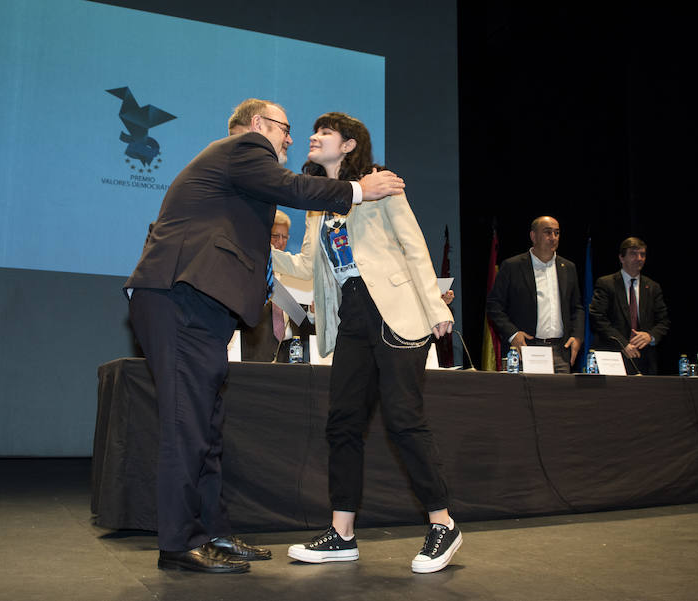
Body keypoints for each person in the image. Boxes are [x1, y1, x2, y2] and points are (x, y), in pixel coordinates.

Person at [124, 98, 405, 573]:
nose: (291, 139)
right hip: (179, 296)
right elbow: (290, 186)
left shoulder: (236, 173)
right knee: (186, 423)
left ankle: (211, 532)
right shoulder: (244, 147)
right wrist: (359, 189)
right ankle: (178, 542)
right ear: (258, 125)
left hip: (199, 303)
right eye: (285, 129)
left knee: (206, 428)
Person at [270, 112, 461, 574]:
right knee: (343, 423)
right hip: (350, 318)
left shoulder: (379, 184)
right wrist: (258, 247)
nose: (313, 138)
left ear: (350, 145)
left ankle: (443, 523)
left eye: (325, 133)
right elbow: (305, 265)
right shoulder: (318, 205)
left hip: (394, 310)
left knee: (403, 419)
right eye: (313, 133)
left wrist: (437, 309)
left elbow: (413, 245)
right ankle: (342, 533)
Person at [486, 216, 584, 373]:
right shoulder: (513, 266)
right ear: (533, 236)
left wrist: (578, 335)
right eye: (547, 232)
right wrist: (513, 333)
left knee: (561, 398)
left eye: (556, 233)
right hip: (526, 350)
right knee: (527, 397)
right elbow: (494, 305)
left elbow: (577, 307)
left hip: (560, 351)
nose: (553, 237)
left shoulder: (568, 267)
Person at [588, 237, 670, 375]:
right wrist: (623, 344)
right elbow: (597, 317)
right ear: (621, 257)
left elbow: (663, 321)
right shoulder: (606, 283)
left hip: (644, 360)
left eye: (642, 254)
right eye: (633, 254)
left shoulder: (652, 287)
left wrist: (650, 336)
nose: (639, 258)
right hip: (613, 356)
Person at [240, 210, 311, 362]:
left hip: (291, 356)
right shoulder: (248, 273)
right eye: (275, 236)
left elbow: (305, 325)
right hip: (257, 356)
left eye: (284, 237)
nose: (280, 241)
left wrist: (312, 313)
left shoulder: (297, 276)